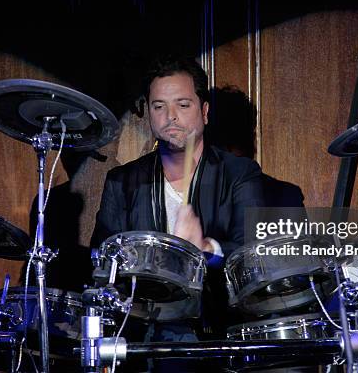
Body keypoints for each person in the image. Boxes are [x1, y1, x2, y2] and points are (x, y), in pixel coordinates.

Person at [90, 54, 265, 341]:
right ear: (149, 112)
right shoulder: (122, 182)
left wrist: (206, 248)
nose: (170, 116)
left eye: (183, 105)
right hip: (143, 334)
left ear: (204, 112)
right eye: (159, 106)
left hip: (215, 334)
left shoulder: (239, 173)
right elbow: (101, 259)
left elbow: (254, 251)